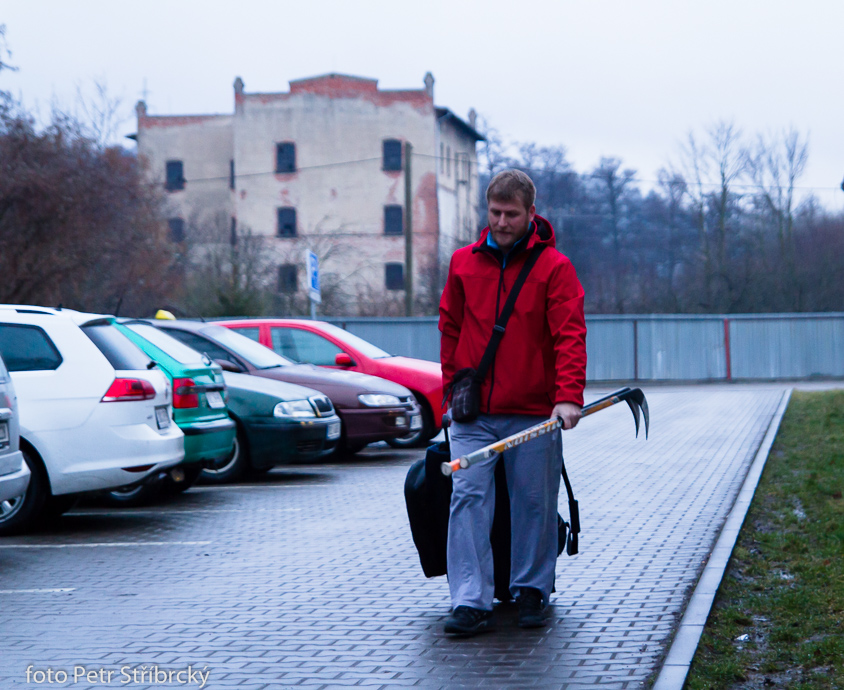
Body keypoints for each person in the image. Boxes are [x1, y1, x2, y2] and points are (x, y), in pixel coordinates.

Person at [438, 169, 587, 636]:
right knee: (467, 499)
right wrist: (449, 392)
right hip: (473, 414)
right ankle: (469, 600)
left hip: (533, 412)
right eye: (495, 212)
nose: (501, 222)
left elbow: (569, 336)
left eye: (511, 214)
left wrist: (567, 398)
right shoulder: (463, 263)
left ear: (530, 214)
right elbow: (450, 329)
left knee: (534, 503)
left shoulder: (554, 268)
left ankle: (531, 590)